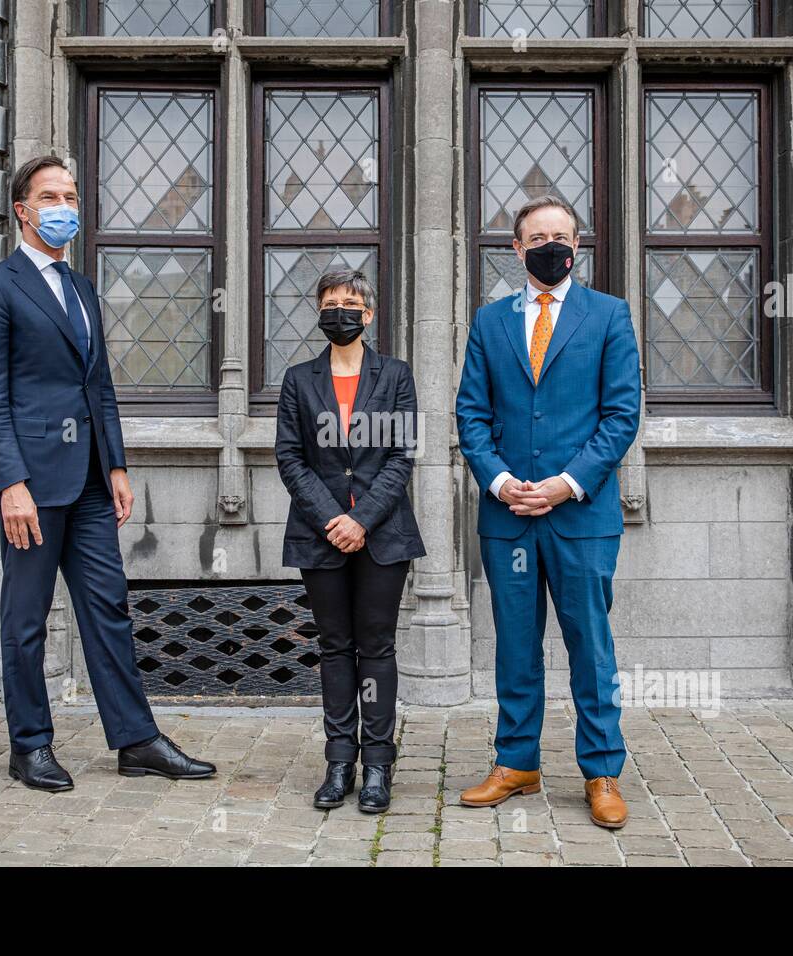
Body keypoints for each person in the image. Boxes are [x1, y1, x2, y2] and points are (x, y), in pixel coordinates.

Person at [0, 155, 215, 791]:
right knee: (26, 620)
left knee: (109, 610)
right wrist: (9, 482)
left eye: (71, 194)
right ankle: (30, 747)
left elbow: (98, 384)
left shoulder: (80, 288)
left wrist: (119, 464)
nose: (64, 206)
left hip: (91, 481)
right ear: (22, 209)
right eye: (50, 195)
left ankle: (136, 740)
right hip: (30, 485)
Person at [454, 195, 641, 828]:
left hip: (581, 517)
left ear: (578, 244)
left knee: (591, 647)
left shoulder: (610, 316)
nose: (550, 246)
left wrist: (565, 483)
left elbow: (621, 417)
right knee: (515, 646)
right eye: (537, 237)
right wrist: (503, 482)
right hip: (508, 515)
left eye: (561, 236)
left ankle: (602, 771)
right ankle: (517, 763)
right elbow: (470, 416)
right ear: (516, 247)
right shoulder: (489, 321)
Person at [274, 269, 425, 813]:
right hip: (321, 536)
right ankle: (340, 760)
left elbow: (402, 454)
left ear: (369, 313)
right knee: (335, 647)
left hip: (383, 535)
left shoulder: (396, 375)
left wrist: (362, 520)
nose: (342, 310)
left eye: (352, 302)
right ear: (319, 311)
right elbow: (290, 457)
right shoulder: (298, 380)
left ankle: (379, 764)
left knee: (377, 647)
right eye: (331, 302)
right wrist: (334, 518)